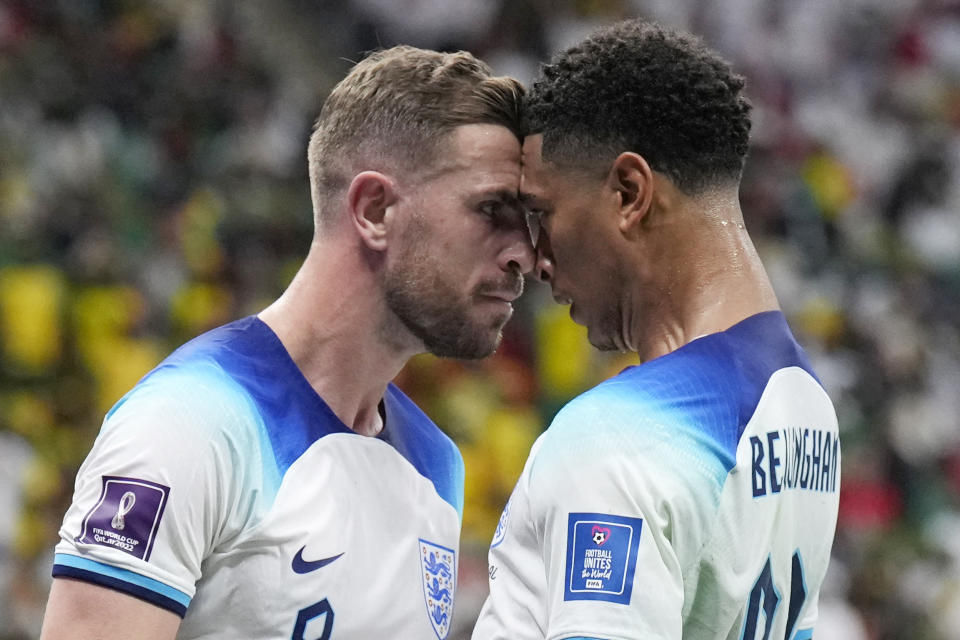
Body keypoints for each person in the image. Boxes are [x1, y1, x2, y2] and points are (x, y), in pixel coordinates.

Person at [41, 45, 534, 640]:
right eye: (491, 210)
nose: (522, 253)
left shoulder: (435, 467)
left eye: (527, 221)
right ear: (375, 208)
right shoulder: (187, 427)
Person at [474, 20, 841, 640]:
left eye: (542, 213)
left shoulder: (616, 441)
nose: (535, 257)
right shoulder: (809, 405)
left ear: (629, 192)